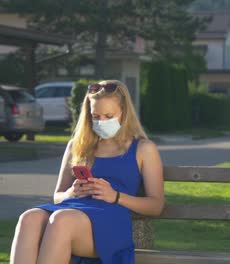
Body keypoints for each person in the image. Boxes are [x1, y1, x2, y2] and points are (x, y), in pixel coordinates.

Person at [10, 80, 164, 264]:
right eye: (96, 116)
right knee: (29, 218)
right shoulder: (77, 146)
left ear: (124, 113)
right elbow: (58, 196)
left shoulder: (143, 148)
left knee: (61, 220)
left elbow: (156, 206)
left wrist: (115, 196)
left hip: (110, 220)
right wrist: (71, 192)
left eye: (109, 116)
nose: (101, 122)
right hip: (72, 209)